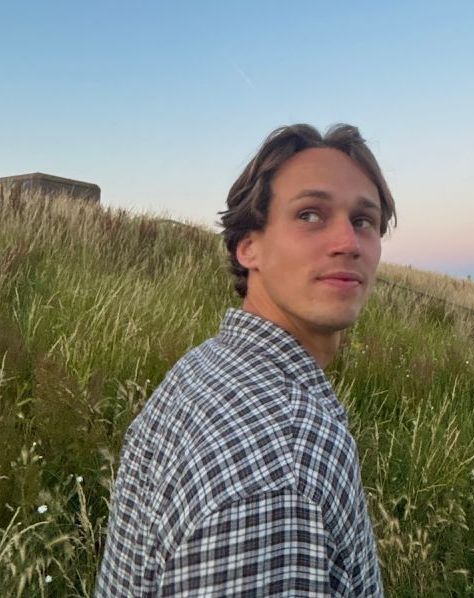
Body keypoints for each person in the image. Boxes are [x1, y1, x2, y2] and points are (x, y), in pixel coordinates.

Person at [95, 123, 397, 596]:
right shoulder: (285, 469)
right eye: (310, 215)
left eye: (364, 221)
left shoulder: (207, 366)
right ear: (248, 246)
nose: (348, 242)